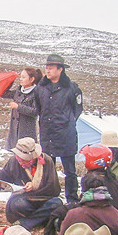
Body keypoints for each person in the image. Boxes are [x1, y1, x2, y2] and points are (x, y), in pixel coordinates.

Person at [35, 54, 83, 203]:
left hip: (65, 135)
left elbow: (77, 109)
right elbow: (39, 108)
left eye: (51, 68)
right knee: (48, 170)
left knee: (70, 171)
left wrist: (67, 122)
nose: (47, 71)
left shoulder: (72, 88)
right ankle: (50, 198)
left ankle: (72, 199)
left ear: (60, 69)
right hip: (47, 135)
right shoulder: (41, 88)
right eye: (46, 67)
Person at [0, 137, 62, 230]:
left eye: (24, 160)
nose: (21, 162)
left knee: (56, 203)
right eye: (19, 159)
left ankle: (25, 223)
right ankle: (40, 219)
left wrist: (34, 186)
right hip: (25, 199)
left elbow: (54, 189)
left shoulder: (47, 161)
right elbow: (5, 174)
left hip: (44, 199)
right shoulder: (14, 161)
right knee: (17, 205)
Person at [78, 144, 118, 217]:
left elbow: (87, 205)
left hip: (105, 218)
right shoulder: (110, 178)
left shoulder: (94, 181)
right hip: (116, 217)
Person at [5, 67, 42, 150]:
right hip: (15, 131)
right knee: (16, 153)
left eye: (23, 77)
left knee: (26, 153)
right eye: (20, 77)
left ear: (32, 79)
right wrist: (10, 80)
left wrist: (18, 107)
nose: (21, 79)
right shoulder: (18, 91)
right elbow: (4, 93)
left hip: (26, 132)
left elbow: (35, 112)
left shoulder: (36, 93)